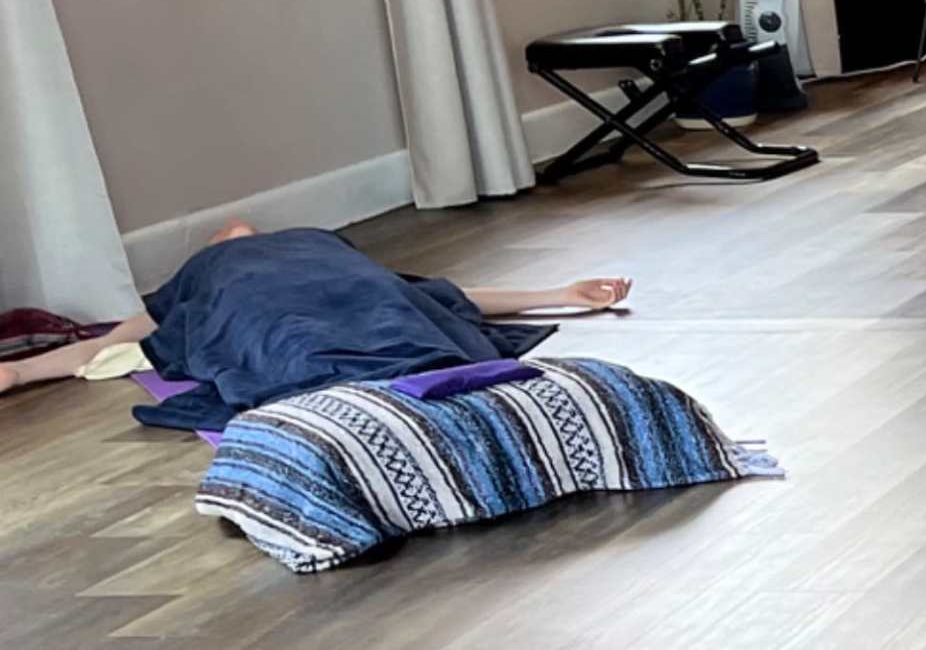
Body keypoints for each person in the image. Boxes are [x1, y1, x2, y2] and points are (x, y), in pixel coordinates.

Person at [0, 223, 626, 415]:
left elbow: (431, 294)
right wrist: (23, 374)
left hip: (346, 286)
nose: (240, 229)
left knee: (389, 313)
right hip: (257, 305)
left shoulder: (315, 240)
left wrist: (564, 292)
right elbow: (128, 335)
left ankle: (393, 376)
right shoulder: (206, 271)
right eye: (229, 232)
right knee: (285, 340)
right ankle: (363, 380)